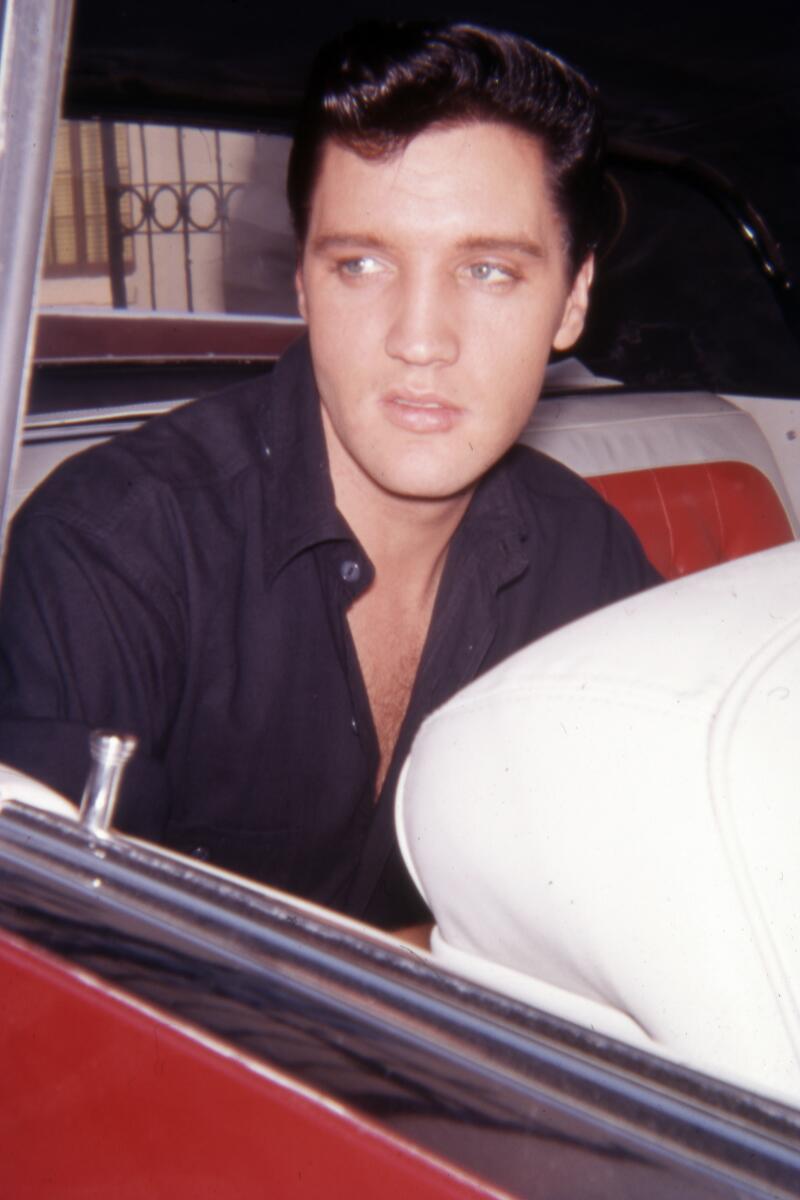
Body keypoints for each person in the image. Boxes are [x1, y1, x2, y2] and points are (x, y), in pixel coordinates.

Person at [0, 20, 660, 929]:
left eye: (487, 270)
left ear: (573, 300)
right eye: (361, 263)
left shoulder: (592, 564)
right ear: (304, 284)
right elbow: (58, 989)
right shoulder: (112, 551)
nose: (420, 338)